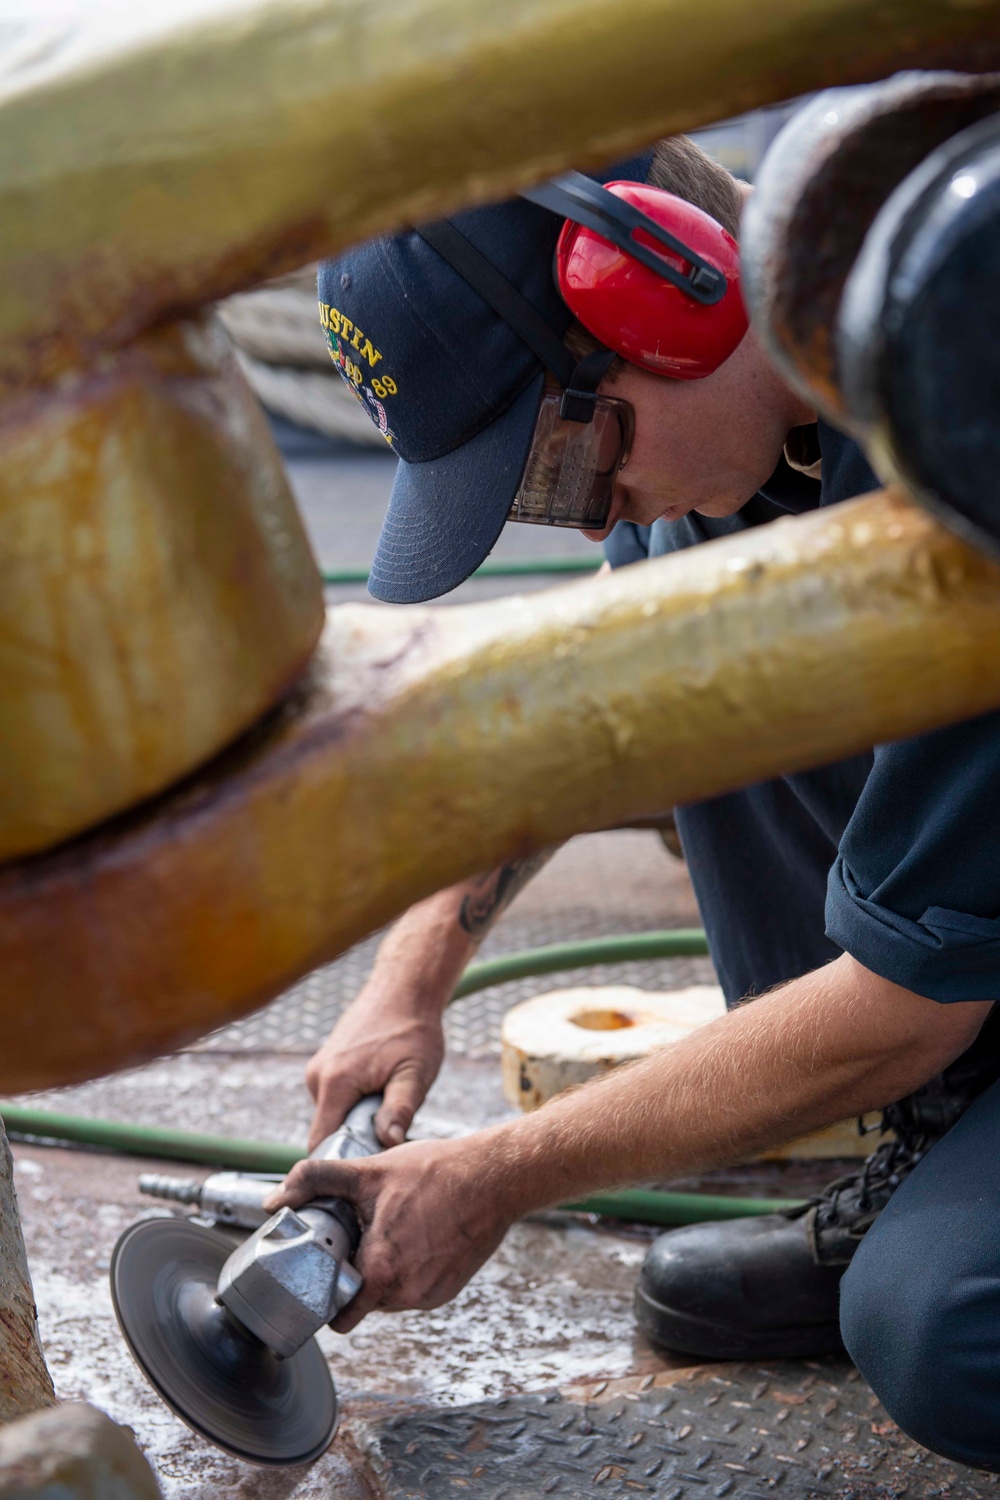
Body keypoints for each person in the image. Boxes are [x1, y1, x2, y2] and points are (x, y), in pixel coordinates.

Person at [264, 132, 1000, 1470]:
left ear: (654, 294)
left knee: (950, 1329)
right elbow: (604, 696)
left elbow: (904, 1009)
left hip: (935, 1002)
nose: (597, 516)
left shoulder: (962, 427)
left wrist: (492, 1176)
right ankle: (950, 1146)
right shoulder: (770, 415)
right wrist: (411, 972)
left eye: (562, 475)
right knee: (689, 655)